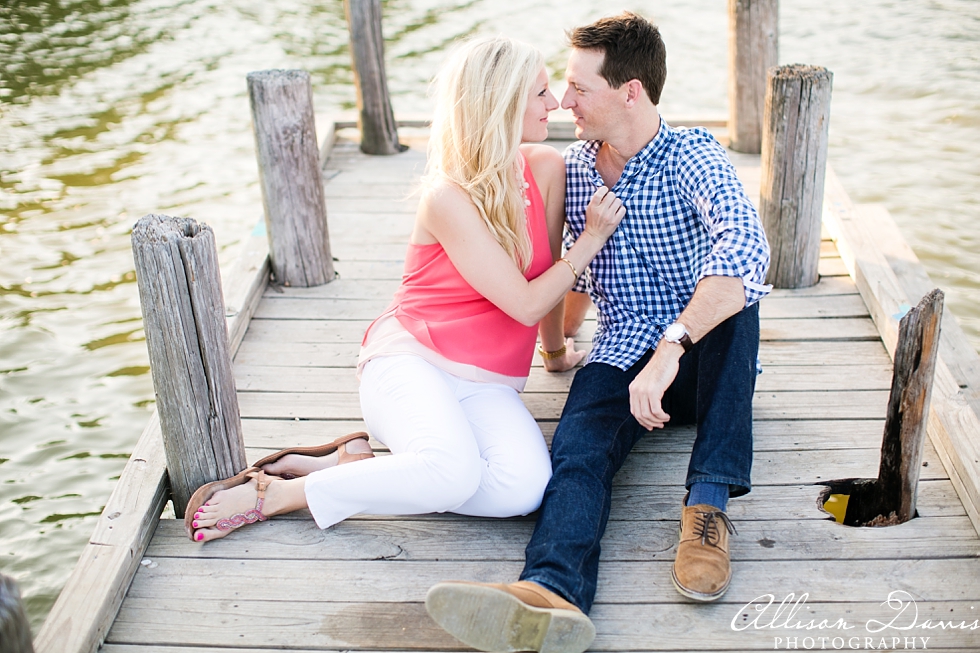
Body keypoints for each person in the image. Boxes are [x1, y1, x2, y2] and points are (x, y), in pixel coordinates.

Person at [182, 36, 626, 544]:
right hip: (413, 361)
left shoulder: (545, 169)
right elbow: (524, 303)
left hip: (489, 384)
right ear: (501, 104)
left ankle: (349, 462)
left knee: (523, 489)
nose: (555, 104)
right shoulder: (446, 197)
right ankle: (278, 493)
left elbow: (541, 280)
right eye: (541, 93)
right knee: (452, 473)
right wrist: (590, 240)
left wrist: (553, 353)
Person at [425, 12, 771, 653]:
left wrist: (671, 348)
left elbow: (746, 248)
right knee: (576, 452)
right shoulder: (573, 167)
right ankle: (551, 591)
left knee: (738, 294)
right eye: (561, 87)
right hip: (617, 351)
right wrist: (556, 350)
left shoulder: (695, 155)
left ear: (630, 90)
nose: (564, 99)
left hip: (699, 359)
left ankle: (708, 506)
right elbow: (565, 271)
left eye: (580, 87)